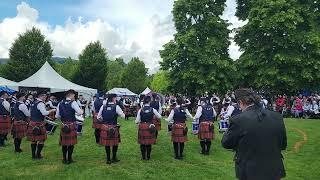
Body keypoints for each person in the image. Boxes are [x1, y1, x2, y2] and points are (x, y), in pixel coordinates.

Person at [222, 88, 287, 180]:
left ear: (241, 102)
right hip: (274, 170)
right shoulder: (277, 117)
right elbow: (283, 145)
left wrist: (228, 130)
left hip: (250, 172)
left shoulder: (238, 120)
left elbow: (226, 143)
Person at [55, 89, 83, 164]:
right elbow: (80, 113)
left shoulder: (60, 103)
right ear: (71, 95)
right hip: (71, 125)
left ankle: (64, 159)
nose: (74, 96)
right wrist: (81, 110)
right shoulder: (73, 103)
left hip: (64, 125)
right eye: (74, 95)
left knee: (64, 143)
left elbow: (57, 116)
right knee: (71, 144)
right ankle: (69, 159)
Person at [97, 94, 125, 164]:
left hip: (105, 127)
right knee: (115, 143)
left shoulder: (103, 106)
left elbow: (98, 117)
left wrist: (104, 121)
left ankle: (108, 159)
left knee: (107, 144)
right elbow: (123, 116)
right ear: (113, 98)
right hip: (113, 127)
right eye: (115, 98)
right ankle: (114, 157)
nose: (116, 99)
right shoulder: (116, 107)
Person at [27, 91, 55, 160]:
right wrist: (52, 110)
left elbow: (30, 113)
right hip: (39, 123)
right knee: (42, 139)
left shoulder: (33, 102)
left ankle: (33, 156)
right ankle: (38, 155)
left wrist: (45, 117)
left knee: (33, 140)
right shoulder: (40, 103)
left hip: (32, 122)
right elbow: (44, 113)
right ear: (40, 96)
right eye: (44, 96)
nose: (45, 97)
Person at [135, 96, 162, 160]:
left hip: (142, 127)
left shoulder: (140, 110)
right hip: (150, 126)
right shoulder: (153, 109)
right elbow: (160, 117)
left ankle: (143, 157)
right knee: (149, 143)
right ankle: (148, 157)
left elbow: (136, 121)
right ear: (149, 101)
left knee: (142, 143)